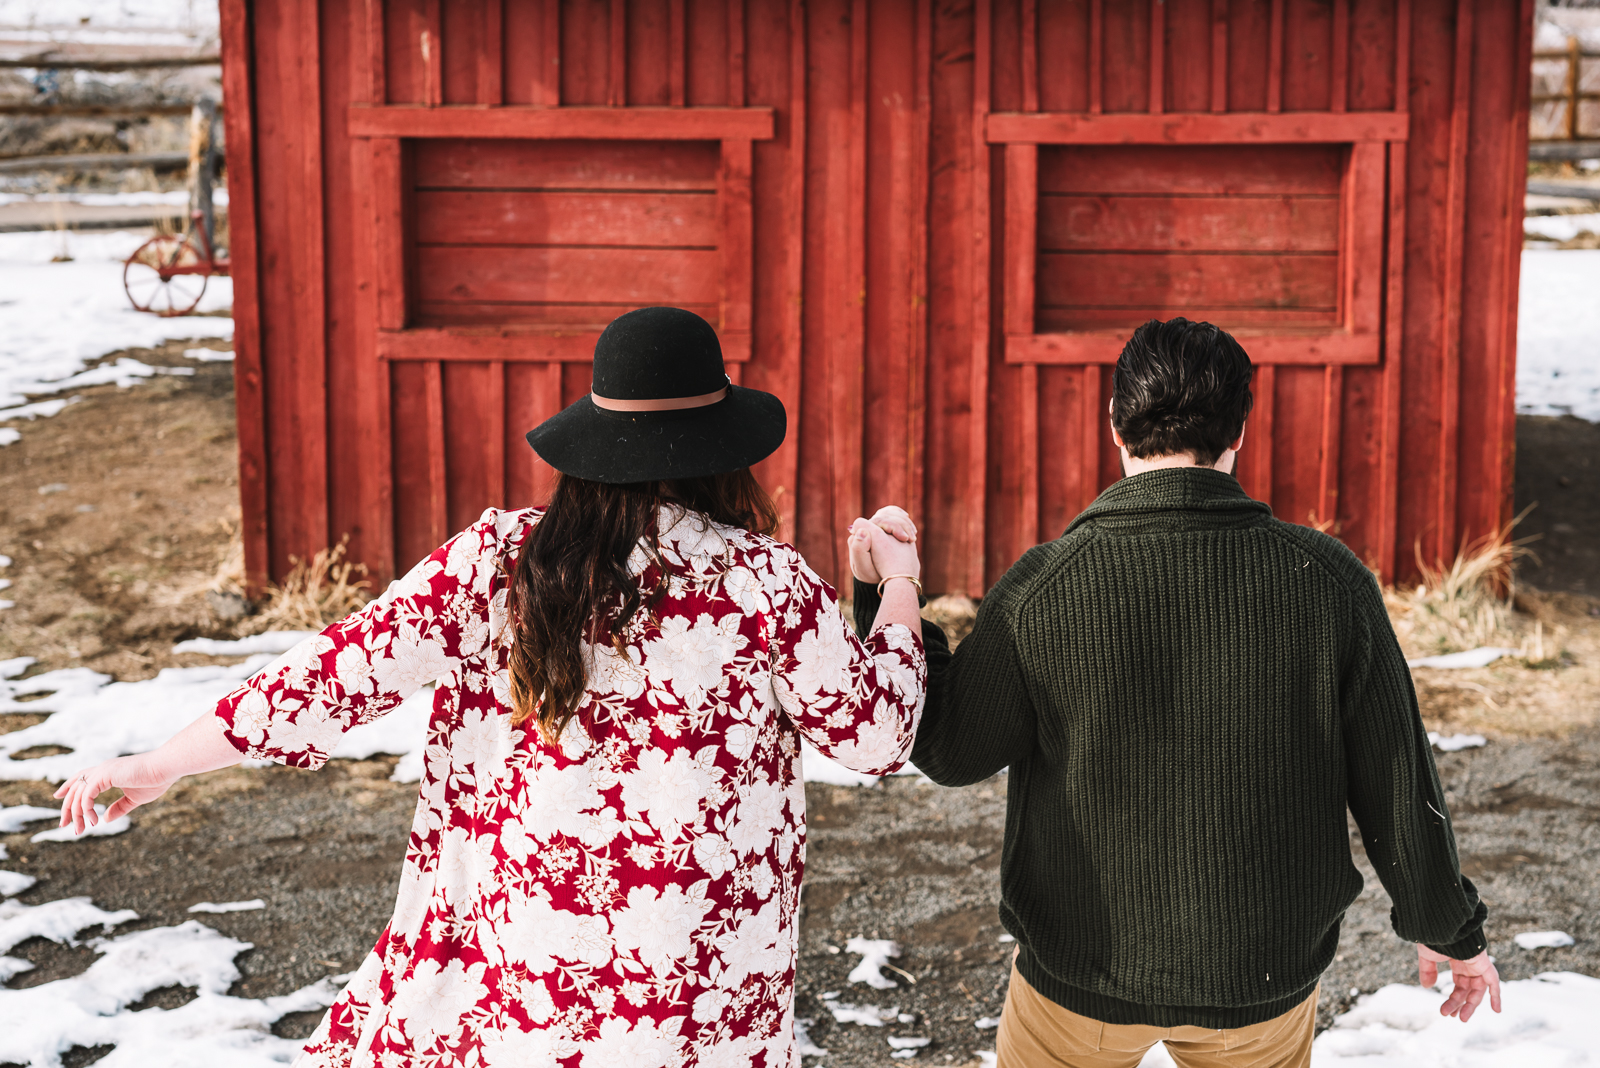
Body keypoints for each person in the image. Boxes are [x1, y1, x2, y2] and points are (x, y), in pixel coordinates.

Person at [55, 306, 928, 1068]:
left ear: (590, 439)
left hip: (528, 986)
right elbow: (877, 734)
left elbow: (326, 680)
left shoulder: (498, 565)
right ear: (725, 452)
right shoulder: (765, 585)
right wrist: (893, 583)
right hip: (711, 1003)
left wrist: (163, 762)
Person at [848, 317, 1500, 1068]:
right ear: (1241, 432)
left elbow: (949, 748)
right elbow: (1394, 779)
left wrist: (889, 597)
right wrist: (1451, 931)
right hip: (1260, 982)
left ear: (1115, 427)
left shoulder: (1045, 587)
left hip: (1079, 981)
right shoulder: (1328, 583)